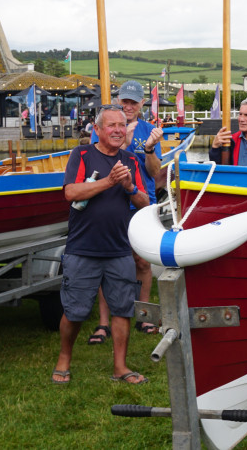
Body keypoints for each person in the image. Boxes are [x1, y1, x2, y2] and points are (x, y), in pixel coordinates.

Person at [51, 106, 150, 385]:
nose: (119, 130)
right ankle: (64, 359)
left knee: (122, 309)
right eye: (111, 125)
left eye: (122, 124)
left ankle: (120, 367)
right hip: (83, 248)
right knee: (75, 310)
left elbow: (145, 203)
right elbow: (70, 192)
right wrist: (109, 181)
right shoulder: (81, 154)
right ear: (97, 129)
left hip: (119, 248)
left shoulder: (130, 159)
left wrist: (129, 187)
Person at [88, 80, 164, 341]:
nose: (128, 106)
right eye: (124, 101)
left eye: (133, 102)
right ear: (118, 100)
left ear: (141, 104)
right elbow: (96, 160)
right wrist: (125, 142)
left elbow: (155, 172)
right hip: (110, 201)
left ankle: (142, 316)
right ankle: (103, 323)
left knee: (142, 261)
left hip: (141, 202)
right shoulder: (102, 127)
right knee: (106, 262)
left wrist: (149, 148)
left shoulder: (150, 130)